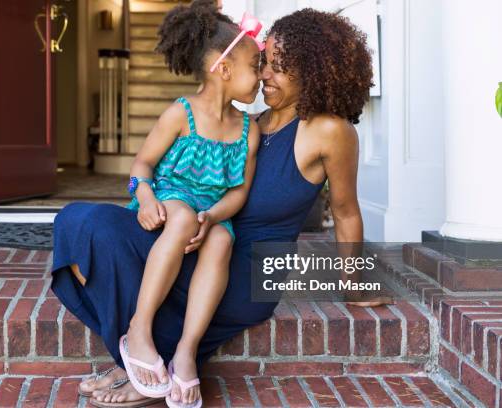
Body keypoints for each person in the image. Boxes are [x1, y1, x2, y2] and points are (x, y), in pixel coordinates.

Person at [51, 7, 382, 407]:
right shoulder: (251, 126)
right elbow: (167, 174)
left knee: (138, 255)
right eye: (263, 65)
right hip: (203, 245)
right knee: (84, 222)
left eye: (277, 68)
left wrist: (355, 284)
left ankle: (145, 373)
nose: (264, 76)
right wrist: (156, 202)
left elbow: (346, 211)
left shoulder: (329, 130)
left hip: (249, 269)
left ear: (312, 71)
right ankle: (140, 357)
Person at [113, 1, 261, 406]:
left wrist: (212, 217)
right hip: (171, 195)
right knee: (179, 219)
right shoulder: (181, 114)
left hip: (212, 210)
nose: (262, 77)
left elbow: (238, 193)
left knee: (221, 242)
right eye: (256, 66)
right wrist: (143, 195)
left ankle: (186, 351)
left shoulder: (248, 131)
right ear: (225, 70)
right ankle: (139, 329)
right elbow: (143, 163)